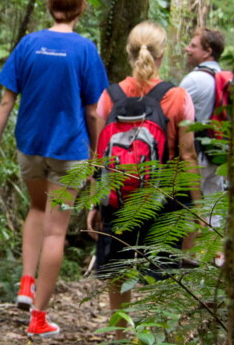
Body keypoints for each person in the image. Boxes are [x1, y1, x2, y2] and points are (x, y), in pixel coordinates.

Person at [0, 0, 107, 337]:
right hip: (69, 151)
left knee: (36, 209)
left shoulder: (29, 43)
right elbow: (93, 111)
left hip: (30, 146)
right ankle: (38, 318)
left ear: (50, 5)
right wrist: (98, 157)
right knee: (56, 231)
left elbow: (6, 101)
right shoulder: (85, 50)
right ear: (80, 9)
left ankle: (26, 283)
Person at [86, 21, 200, 334]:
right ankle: (161, 335)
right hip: (164, 199)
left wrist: (95, 202)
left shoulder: (108, 97)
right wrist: (199, 206)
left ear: (129, 52)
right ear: (163, 54)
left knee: (118, 273)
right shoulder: (178, 97)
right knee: (167, 274)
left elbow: (100, 157)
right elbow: (188, 156)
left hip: (118, 196)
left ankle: (121, 336)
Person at [180, 28, 227, 197]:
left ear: (208, 52)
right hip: (217, 154)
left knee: (189, 211)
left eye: (193, 46)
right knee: (212, 209)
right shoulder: (221, 76)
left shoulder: (195, 79)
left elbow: (172, 112)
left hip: (196, 155)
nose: (187, 49)